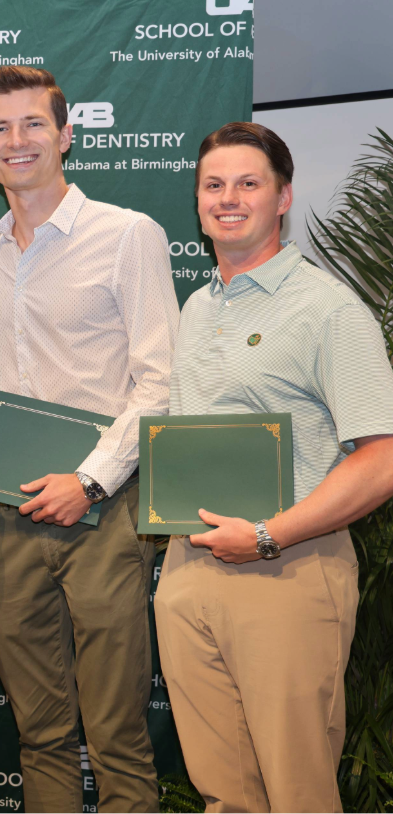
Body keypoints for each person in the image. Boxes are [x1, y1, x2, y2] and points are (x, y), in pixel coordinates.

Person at [154, 121, 393, 813]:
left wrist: (268, 535)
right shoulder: (199, 306)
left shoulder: (327, 309)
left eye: (248, 183)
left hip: (286, 570)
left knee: (297, 794)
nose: (229, 198)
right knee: (224, 796)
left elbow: (382, 458)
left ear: (283, 197)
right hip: (191, 568)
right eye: (214, 185)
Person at [0, 66, 179, 813]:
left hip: (104, 512)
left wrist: (89, 480)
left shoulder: (127, 235)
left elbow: (160, 385)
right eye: (0, 128)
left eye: (33, 124)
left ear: (65, 134)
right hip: (7, 514)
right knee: (41, 733)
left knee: (119, 731)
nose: (16, 140)